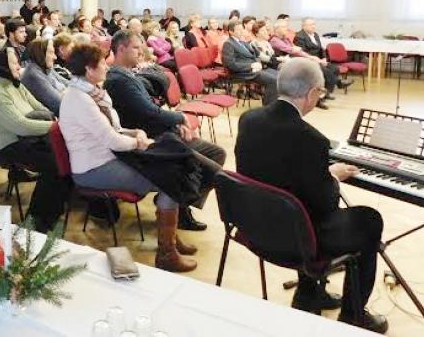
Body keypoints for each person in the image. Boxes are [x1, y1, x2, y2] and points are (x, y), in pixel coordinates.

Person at [235, 58, 387, 333]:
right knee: (368, 220)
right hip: (295, 239)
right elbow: (326, 204)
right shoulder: (311, 139)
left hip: (255, 225)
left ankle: (308, 293)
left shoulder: (249, 120)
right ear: (312, 93)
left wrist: (317, 174)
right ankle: (353, 315)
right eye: (321, 92)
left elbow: (274, 173)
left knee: (298, 204)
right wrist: (332, 176)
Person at [60, 43, 197, 272]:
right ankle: (167, 252)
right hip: (93, 169)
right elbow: (112, 140)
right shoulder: (79, 100)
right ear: (89, 70)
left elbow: (114, 129)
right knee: (170, 179)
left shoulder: (92, 93)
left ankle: (170, 237)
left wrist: (135, 133)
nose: (107, 66)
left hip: (110, 158)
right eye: (102, 63)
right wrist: (139, 142)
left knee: (173, 166)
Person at [104, 30, 226, 231]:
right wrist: (180, 118)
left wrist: (174, 124)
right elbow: (149, 113)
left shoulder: (128, 74)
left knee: (217, 153)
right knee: (213, 171)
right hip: (151, 140)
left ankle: (180, 203)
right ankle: (176, 201)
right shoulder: (118, 80)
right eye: (136, 48)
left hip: (162, 132)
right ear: (121, 49)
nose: (141, 52)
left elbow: (154, 105)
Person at [0, 49, 69, 233]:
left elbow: (39, 106)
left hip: (27, 137)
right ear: (3, 65)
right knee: (54, 164)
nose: (18, 66)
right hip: (6, 144)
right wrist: (55, 126)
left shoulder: (15, 84)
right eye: (14, 63)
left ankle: (53, 210)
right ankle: (35, 221)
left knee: (65, 156)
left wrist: (53, 120)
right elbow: (19, 125)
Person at [222, 21, 278, 105]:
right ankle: (269, 107)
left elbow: (255, 55)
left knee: (279, 76)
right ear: (231, 31)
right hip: (242, 72)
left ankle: (276, 103)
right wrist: (251, 66)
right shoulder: (228, 44)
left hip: (254, 69)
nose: (241, 31)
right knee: (273, 80)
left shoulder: (242, 42)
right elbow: (230, 64)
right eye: (238, 30)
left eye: (242, 29)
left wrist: (258, 64)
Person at [294, 18, 353, 98]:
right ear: (304, 26)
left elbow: (321, 48)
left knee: (334, 68)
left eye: (314, 24)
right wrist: (318, 61)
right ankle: (339, 83)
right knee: (326, 71)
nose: (313, 26)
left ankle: (327, 93)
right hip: (308, 61)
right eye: (311, 25)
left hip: (319, 60)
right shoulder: (299, 36)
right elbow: (302, 52)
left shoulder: (315, 35)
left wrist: (324, 58)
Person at [20, 38, 68, 116]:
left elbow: (68, 83)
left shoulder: (45, 68)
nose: (55, 57)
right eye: (51, 53)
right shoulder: (34, 76)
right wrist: (69, 92)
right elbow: (60, 104)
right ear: (41, 54)